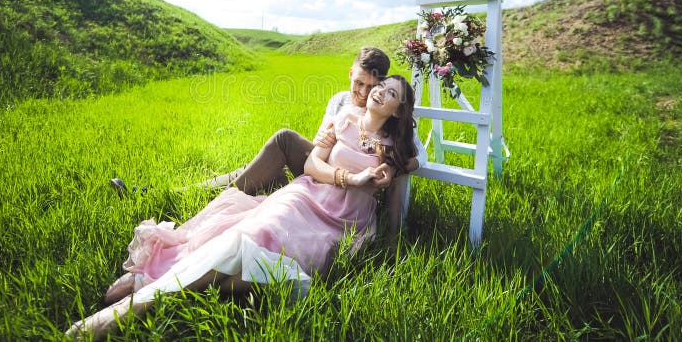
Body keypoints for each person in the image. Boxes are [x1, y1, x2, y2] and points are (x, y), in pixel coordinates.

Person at [66, 75, 417, 338]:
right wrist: (350, 178)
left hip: (341, 224)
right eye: (381, 85)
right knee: (253, 233)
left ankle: (161, 285)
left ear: (398, 110)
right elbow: (312, 166)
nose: (379, 90)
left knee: (269, 272)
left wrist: (391, 234)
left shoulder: (398, 148)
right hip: (305, 196)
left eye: (390, 93)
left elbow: (397, 209)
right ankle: (131, 308)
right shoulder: (342, 122)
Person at [111, 46, 426, 205]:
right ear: (350, 74)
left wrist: (389, 168)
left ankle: (181, 195)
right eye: (358, 83)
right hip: (318, 169)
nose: (362, 92)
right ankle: (175, 193)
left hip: (344, 183)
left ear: (380, 83)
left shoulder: (383, 114)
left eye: (369, 85)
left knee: (283, 141)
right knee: (258, 169)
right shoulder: (339, 101)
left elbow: (419, 155)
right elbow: (320, 148)